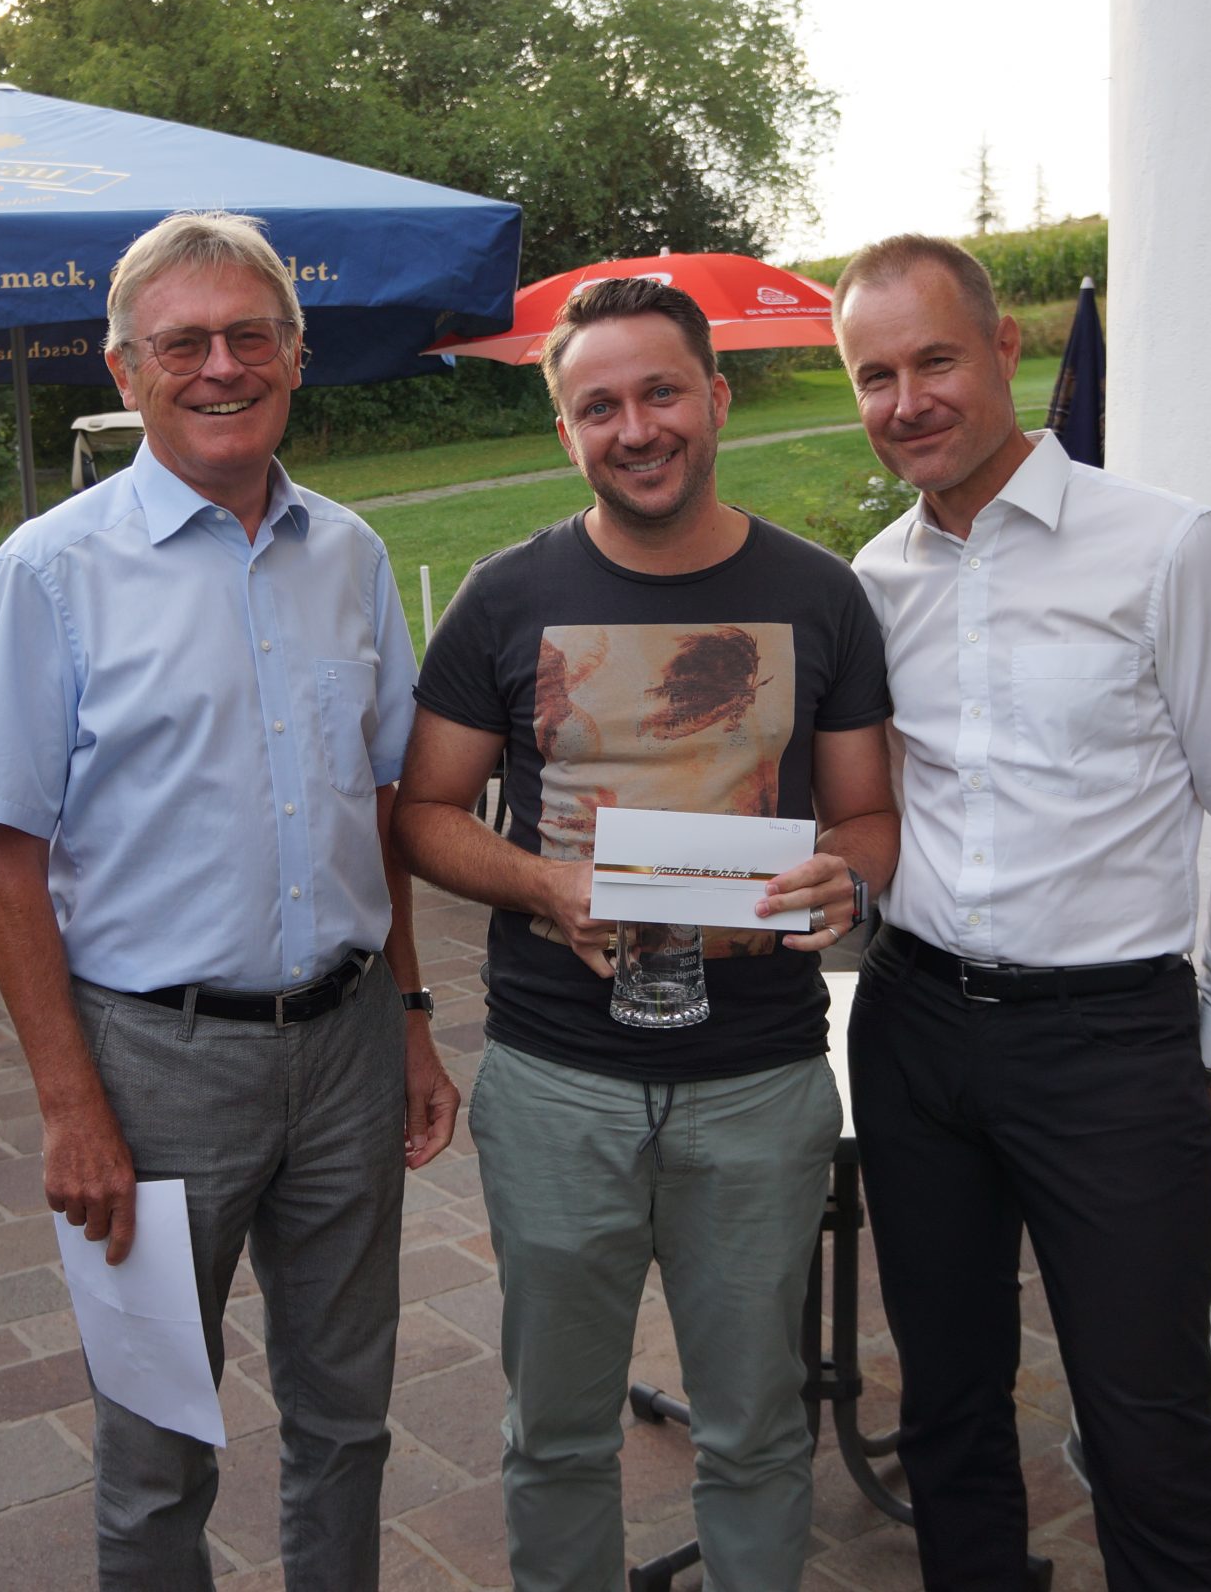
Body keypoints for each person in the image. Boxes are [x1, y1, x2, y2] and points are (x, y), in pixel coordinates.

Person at [0, 210, 458, 1591]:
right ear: (125, 370)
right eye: (183, 345)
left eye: (248, 337)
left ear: (295, 355)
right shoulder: (50, 570)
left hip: (347, 1049)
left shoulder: (349, 554)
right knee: (158, 1447)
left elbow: (378, 811)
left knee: (347, 1420)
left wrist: (411, 1016)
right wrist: (70, 1106)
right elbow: (2, 861)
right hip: (153, 1069)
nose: (220, 367)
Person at [393, 277, 898, 1591]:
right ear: (566, 431)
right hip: (559, 1083)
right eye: (599, 405)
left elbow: (868, 818)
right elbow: (425, 812)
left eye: (661, 392)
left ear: (714, 399)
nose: (636, 428)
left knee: (757, 1430)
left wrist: (844, 880)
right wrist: (541, 885)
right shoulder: (505, 597)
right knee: (556, 1435)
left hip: (760, 1081)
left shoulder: (820, 595)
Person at [832, 235, 1211, 1592]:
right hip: (915, 1027)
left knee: (1146, 1424)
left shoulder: (1166, 546)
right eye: (874, 376)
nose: (907, 401)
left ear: (1005, 350)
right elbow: (868, 806)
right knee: (945, 1404)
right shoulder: (874, 579)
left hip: (1109, 1043)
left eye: (934, 360)